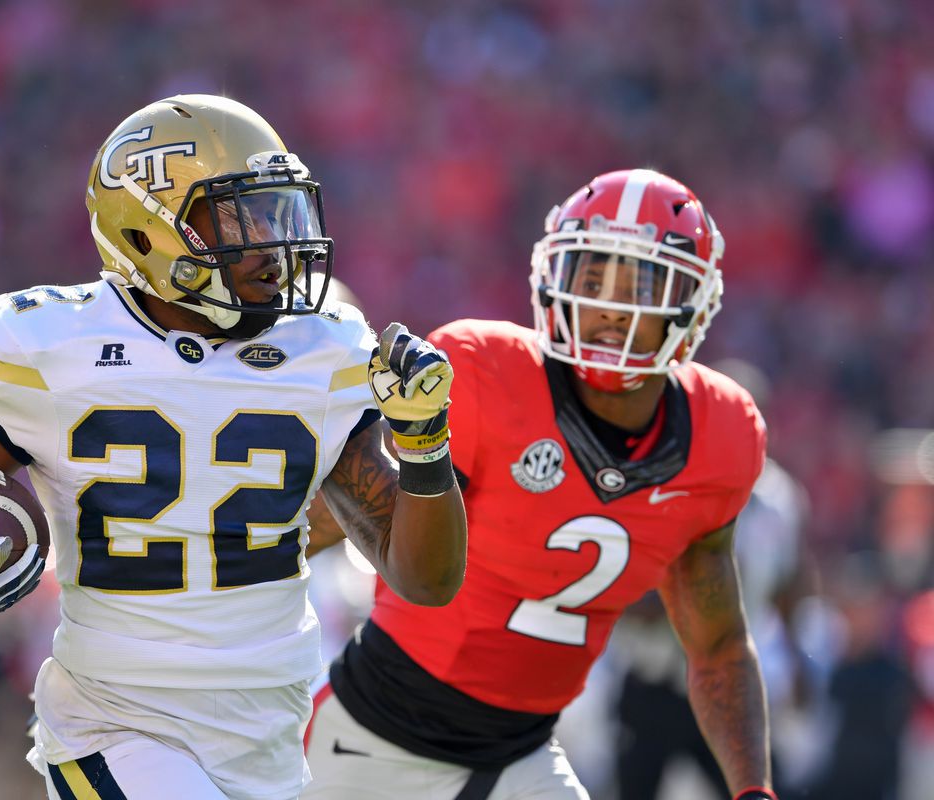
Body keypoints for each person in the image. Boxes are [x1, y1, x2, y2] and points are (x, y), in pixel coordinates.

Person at [0, 94, 468, 800]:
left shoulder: (323, 353)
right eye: (242, 217)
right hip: (117, 718)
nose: (275, 243)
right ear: (151, 231)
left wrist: (426, 443)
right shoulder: (52, 346)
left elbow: (427, 581)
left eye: (280, 211)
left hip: (270, 720)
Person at [304, 169, 775, 800]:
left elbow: (718, 645)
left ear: (693, 302)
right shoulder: (485, 372)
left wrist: (753, 790)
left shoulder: (723, 433)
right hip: (370, 741)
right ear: (553, 275)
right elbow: (341, 519)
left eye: (639, 281)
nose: (610, 304)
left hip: (523, 756)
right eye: (591, 275)